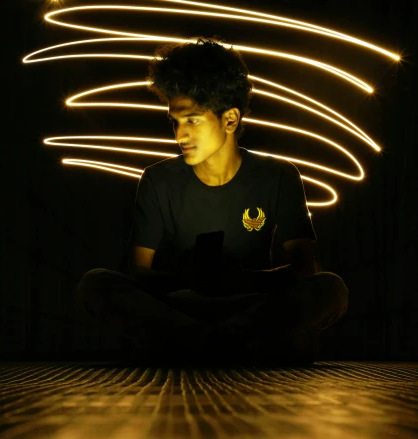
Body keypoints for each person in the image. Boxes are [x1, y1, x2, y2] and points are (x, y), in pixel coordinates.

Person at [76, 37, 349, 363]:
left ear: (230, 120)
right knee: (96, 283)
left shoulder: (278, 175)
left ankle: (197, 345)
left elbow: (304, 268)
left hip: (252, 303)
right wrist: (188, 279)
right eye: (174, 122)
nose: (179, 135)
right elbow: (138, 272)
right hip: (181, 306)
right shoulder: (157, 179)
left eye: (192, 120)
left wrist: (242, 279)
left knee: (332, 289)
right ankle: (233, 344)